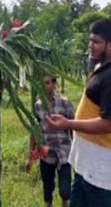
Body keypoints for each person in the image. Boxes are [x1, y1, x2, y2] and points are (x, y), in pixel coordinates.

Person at [46, 18, 111, 207]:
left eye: (96, 42)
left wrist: (68, 124)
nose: (90, 46)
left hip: (101, 165)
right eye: (90, 40)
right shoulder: (102, 67)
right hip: (87, 162)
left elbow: (108, 124)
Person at [25, 74, 75, 207]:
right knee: (48, 187)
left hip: (64, 153)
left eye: (47, 83)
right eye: (42, 83)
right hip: (46, 153)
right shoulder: (37, 105)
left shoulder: (65, 102)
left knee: (65, 190)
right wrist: (30, 156)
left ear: (54, 85)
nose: (44, 86)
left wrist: (76, 150)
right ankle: (48, 204)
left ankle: (65, 203)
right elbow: (34, 131)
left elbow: (72, 127)